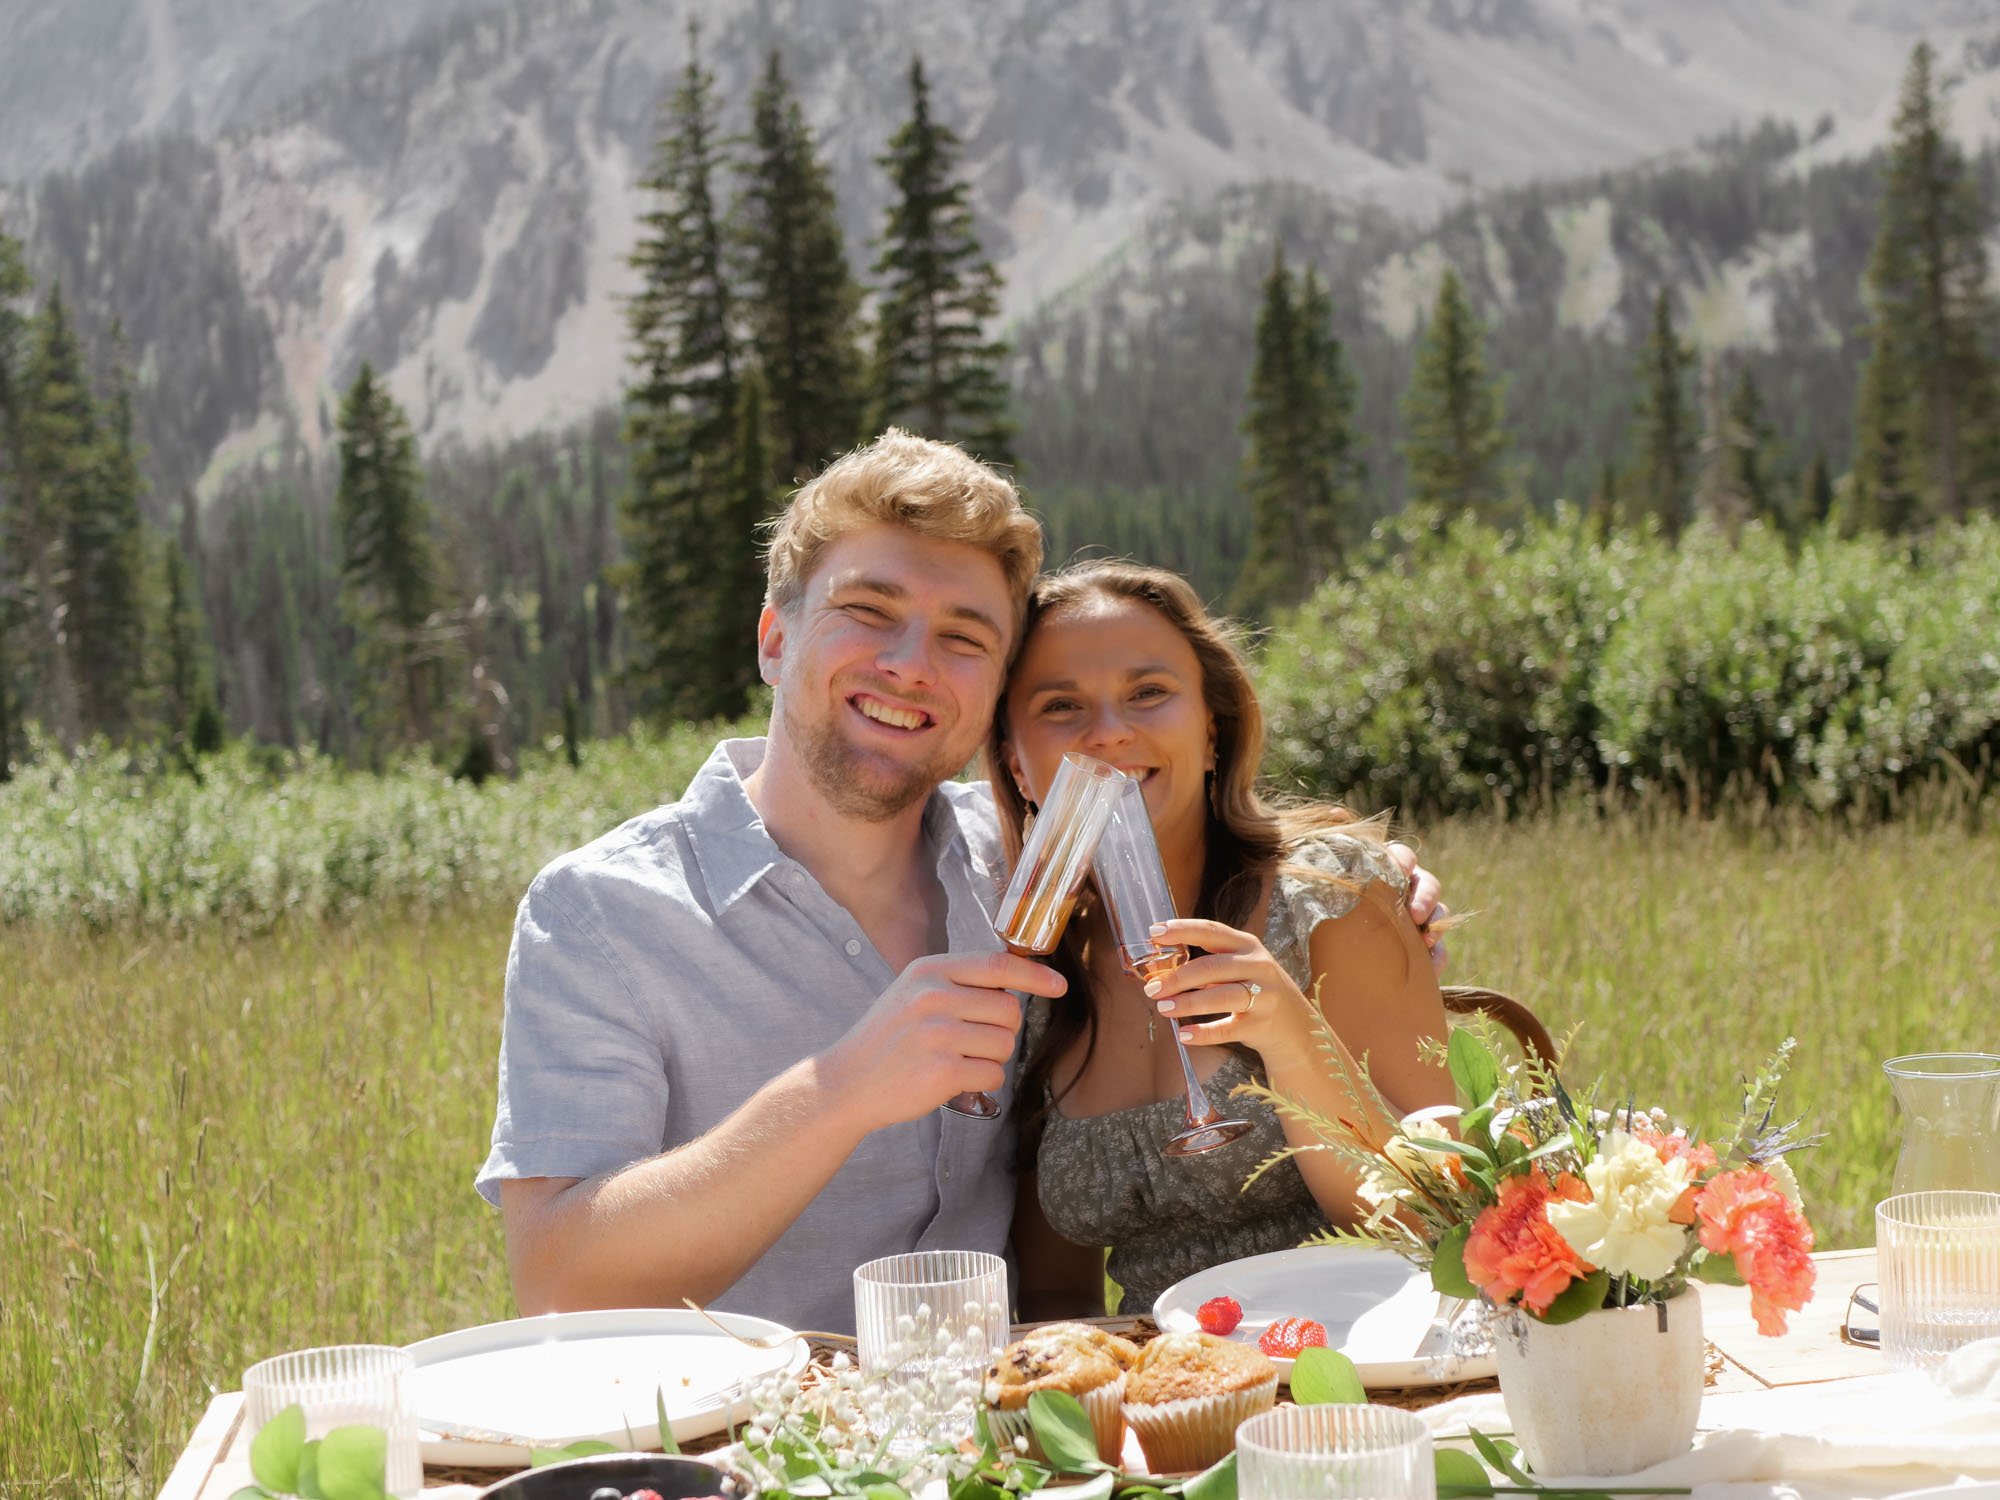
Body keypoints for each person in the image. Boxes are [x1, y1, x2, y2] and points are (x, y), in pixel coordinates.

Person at [479, 430, 1448, 1333]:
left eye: (964, 638)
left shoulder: (1032, 876)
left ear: (991, 698)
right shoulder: (600, 914)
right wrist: (839, 1091)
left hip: (1009, 1437)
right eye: (868, 613)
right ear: (774, 639)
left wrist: (1361, 881)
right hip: (741, 1444)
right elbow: (559, 1283)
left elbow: (1186, 808)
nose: (908, 666)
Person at [990, 560, 1457, 1319]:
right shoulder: (1039, 975)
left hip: (1362, 1372)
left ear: (1213, 731)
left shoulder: (1328, 898)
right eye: (1060, 706)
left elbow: (1434, 1221)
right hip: (1170, 1398)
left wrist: (1293, 1039)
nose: (1109, 732)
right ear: (1016, 763)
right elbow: (1054, 1293)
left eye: (1149, 693)